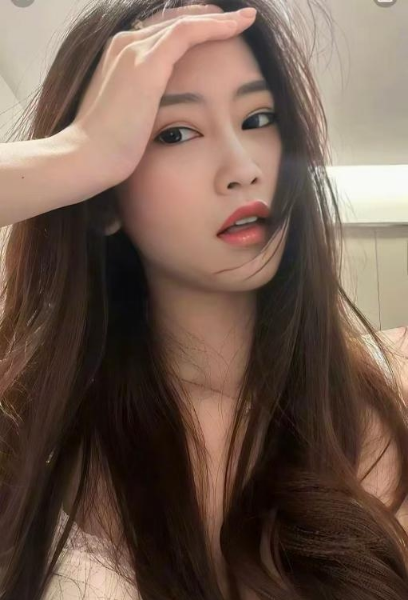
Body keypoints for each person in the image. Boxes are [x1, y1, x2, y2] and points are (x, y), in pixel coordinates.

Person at [0, 0, 407, 598]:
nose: (242, 168)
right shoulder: (29, 434)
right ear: (103, 196)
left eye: (259, 118)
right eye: (176, 133)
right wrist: (75, 153)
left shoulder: (394, 383)